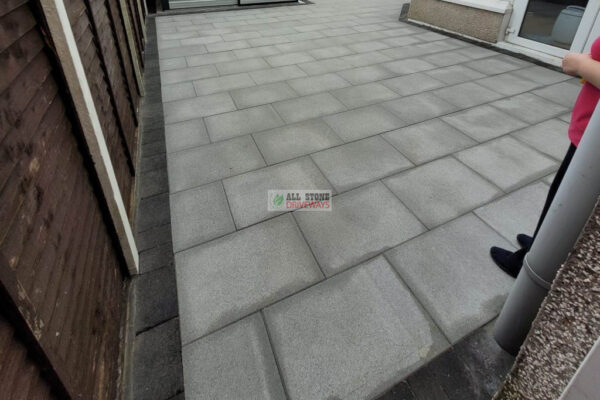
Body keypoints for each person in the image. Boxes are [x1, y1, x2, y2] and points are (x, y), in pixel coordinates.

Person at [490, 37, 600, 278]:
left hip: (594, 147)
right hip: (588, 137)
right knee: (559, 201)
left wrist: (581, 65)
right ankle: (540, 244)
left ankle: (529, 264)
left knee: (563, 207)